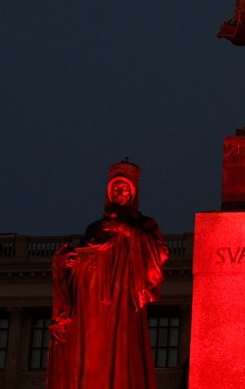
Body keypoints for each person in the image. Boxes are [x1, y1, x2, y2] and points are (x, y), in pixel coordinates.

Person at [48, 161, 169, 389]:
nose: (118, 192)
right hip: (90, 305)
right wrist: (64, 264)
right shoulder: (95, 228)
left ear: (133, 193)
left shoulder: (143, 224)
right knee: (90, 359)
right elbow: (82, 263)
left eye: (124, 188)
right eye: (114, 188)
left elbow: (159, 254)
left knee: (120, 355)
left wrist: (126, 230)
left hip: (121, 304)